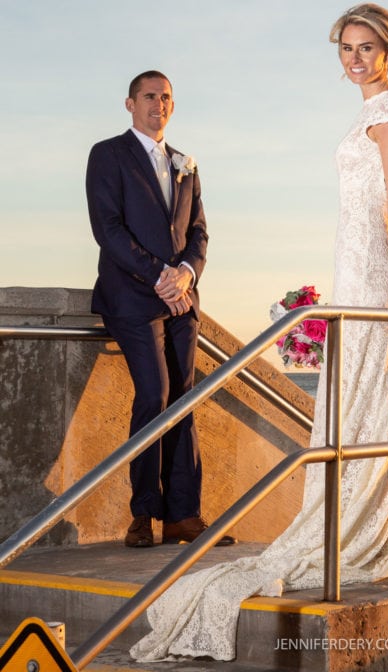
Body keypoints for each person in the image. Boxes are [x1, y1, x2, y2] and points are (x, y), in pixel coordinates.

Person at [130, 4, 388, 661]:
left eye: (367, 48)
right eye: (345, 48)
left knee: (365, 384)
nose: (354, 58)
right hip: (350, 263)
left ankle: (364, 528)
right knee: (350, 395)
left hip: (373, 269)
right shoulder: (366, 110)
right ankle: (356, 520)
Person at [86, 70, 234, 549]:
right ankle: (143, 513)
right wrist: (159, 276)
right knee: (155, 394)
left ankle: (183, 517)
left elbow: (199, 233)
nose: (159, 104)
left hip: (181, 300)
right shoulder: (108, 155)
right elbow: (108, 230)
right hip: (131, 297)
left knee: (184, 402)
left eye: (166, 97)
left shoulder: (184, 163)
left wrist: (186, 274)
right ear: (130, 103)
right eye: (150, 96)